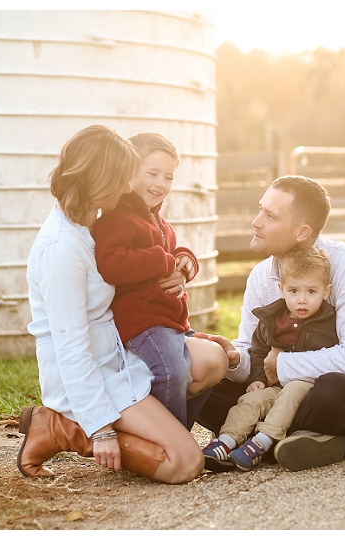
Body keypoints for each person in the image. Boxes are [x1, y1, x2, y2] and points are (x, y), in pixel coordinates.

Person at [19, 124, 225, 484]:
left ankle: (159, 433)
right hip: (88, 374)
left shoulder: (85, 228)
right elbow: (70, 346)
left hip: (115, 358)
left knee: (209, 360)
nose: (128, 187)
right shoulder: (61, 249)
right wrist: (100, 429)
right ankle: (63, 428)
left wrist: (176, 271)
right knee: (184, 464)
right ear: (97, 178)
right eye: (121, 178)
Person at [193, 175, 345, 473]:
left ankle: (261, 437)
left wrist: (282, 364)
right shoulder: (262, 277)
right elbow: (255, 355)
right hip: (280, 396)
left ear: (302, 232)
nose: (255, 222)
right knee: (207, 376)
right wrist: (234, 360)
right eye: (260, 210)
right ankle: (300, 438)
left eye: (269, 216)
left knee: (332, 387)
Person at [92, 132, 228, 427]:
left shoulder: (160, 223)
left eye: (168, 177)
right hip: (142, 321)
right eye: (152, 173)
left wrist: (184, 263)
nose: (160, 184)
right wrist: (165, 261)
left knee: (220, 360)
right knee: (172, 373)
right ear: (129, 173)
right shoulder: (117, 217)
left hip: (169, 320)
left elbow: (171, 254)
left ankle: (180, 435)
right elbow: (113, 263)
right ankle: (165, 444)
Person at [201, 245, 339, 472]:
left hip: (309, 389)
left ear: (326, 291)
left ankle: (262, 442)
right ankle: (226, 442)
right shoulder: (271, 320)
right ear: (282, 289)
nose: (302, 300)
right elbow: (258, 350)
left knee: (294, 389)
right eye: (294, 291)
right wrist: (257, 378)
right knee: (252, 400)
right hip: (276, 387)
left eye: (311, 292)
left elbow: (336, 358)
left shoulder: (329, 322)